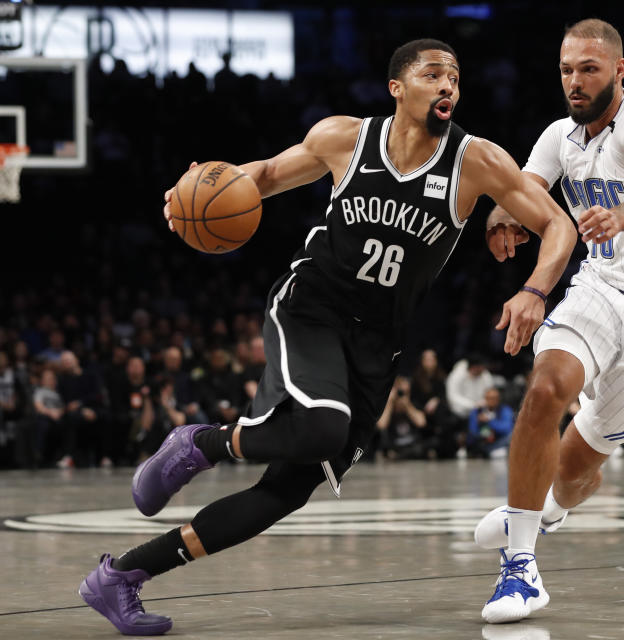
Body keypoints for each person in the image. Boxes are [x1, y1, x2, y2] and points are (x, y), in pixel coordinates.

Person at [78, 38, 575, 636]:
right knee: (320, 426)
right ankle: (204, 443)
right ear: (398, 87)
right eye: (433, 74)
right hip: (311, 309)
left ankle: (120, 577)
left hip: (377, 344)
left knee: (285, 492)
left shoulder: (476, 162)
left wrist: (535, 290)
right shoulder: (345, 138)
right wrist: (200, 188)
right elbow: (261, 177)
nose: (449, 86)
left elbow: (557, 225)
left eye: (456, 78)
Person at [474, 18, 624, 623]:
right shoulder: (560, 135)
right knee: (546, 387)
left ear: (618, 70)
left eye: (588, 68)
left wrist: (623, 215)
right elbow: (527, 189)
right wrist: (504, 212)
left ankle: (547, 509)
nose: (575, 82)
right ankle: (520, 568)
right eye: (566, 70)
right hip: (601, 288)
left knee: (579, 468)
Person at [466, 387, 515, 458]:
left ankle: (496, 451)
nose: (492, 401)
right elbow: (473, 431)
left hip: (499, 441)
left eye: (495, 398)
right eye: (489, 398)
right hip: (483, 442)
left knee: (511, 436)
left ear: (499, 399)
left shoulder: (505, 410)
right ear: (485, 399)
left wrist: (489, 421)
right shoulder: (477, 411)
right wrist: (485, 434)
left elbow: (507, 428)